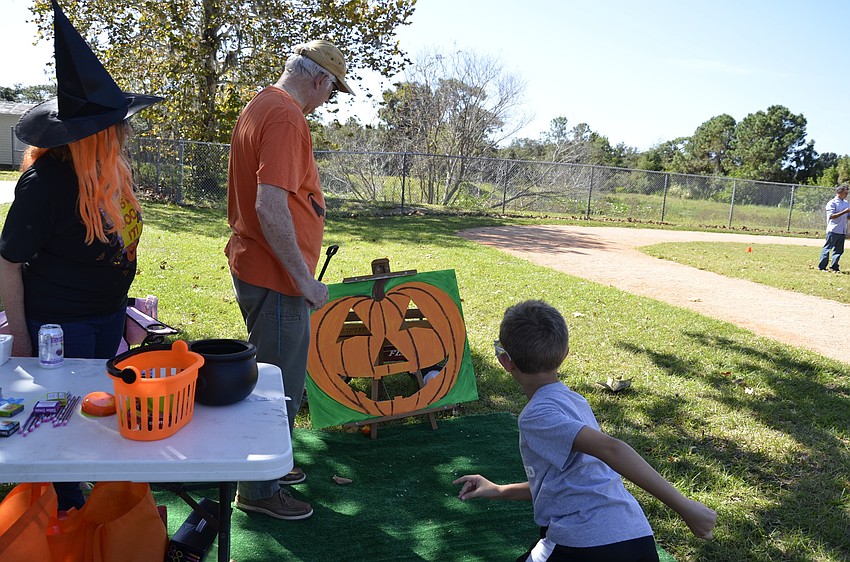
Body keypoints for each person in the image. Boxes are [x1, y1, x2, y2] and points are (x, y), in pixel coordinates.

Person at [0, 0, 162, 511]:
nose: (127, 132)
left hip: (105, 314)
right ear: (94, 135)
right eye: (118, 125)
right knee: (62, 417)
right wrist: (23, 338)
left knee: (95, 410)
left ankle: (92, 492)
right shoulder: (44, 183)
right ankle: (70, 506)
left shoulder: (110, 171)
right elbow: (7, 261)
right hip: (58, 325)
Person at [453, 300, 716, 562]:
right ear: (565, 354)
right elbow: (562, 484)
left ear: (504, 361)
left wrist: (686, 508)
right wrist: (499, 490)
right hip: (636, 538)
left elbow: (611, 449)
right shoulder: (575, 401)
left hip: (586, 543)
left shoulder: (536, 416)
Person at [225, 39, 353, 520]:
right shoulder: (285, 115)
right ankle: (258, 492)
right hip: (277, 278)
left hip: (259, 266)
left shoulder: (261, 104)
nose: (328, 101)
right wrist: (303, 280)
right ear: (319, 80)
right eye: (332, 91)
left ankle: (271, 465)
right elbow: (269, 204)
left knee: (270, 377)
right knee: (277, 386)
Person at [818, 185, 850, 272]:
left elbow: (847, 216)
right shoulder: (832, 203)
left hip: (842, 230)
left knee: (839, 250)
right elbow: (831, 216)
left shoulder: (846, 203)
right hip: (833, 229)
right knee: (828, 248)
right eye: (845, 193)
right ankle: (822, 266)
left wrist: (848, 213)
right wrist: (845, 211)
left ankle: (834, 267)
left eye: (847, 193)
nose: (846, 195)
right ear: (839, 192)